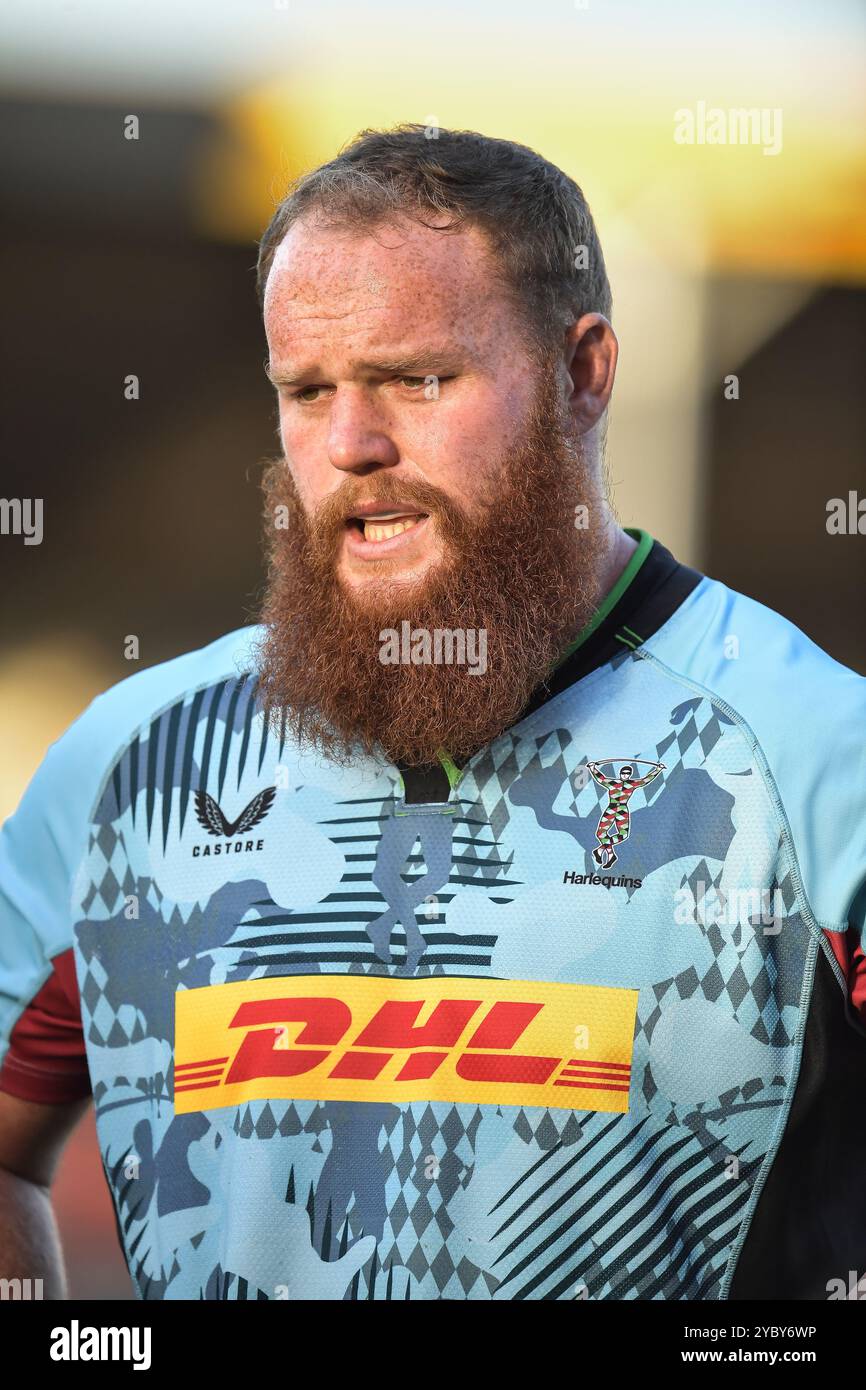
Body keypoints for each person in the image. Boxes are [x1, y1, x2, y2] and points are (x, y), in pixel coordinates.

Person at [1, 124, 864, 1302]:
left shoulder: (809, 749)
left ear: (582, 373)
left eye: (417, 379)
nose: (351, 445)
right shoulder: (132, 764)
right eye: (306, 392)